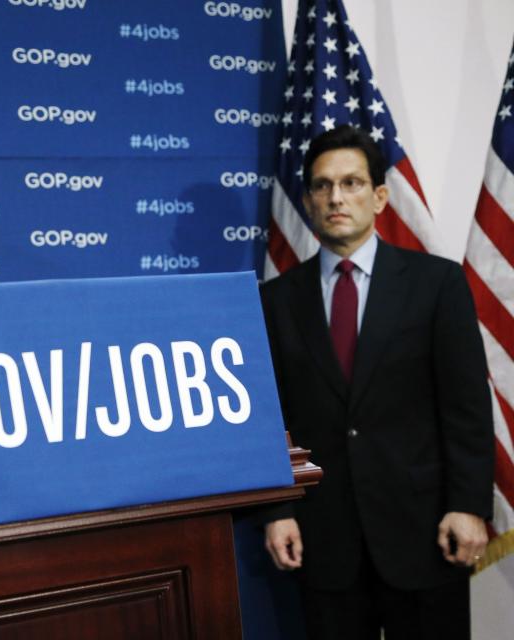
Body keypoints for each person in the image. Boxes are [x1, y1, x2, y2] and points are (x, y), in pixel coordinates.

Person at [260, 125, 494, 639]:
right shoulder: (275, 300)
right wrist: (278, 509)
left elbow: (467, 409)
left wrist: (469, 506)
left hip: (427, 534)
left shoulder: (437, 284)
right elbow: (270, 419)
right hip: (323, 542)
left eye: (351, 183)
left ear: (380, 196)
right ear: (307, 200)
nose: (336, 197)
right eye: (322, 186)